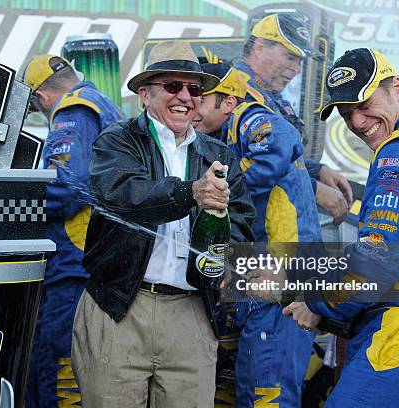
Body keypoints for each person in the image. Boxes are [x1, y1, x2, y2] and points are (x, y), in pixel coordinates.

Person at [71, 40, 255, 407]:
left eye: (194, 89)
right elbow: (122, 194)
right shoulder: (118, 141)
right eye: (173, 86)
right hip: (119, 306)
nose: (185, 97)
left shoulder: (218, 155)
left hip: (192, 312)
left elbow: (242, 221)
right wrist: (191, 193)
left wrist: (232, 256)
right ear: (145, 94)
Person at [283, 48, 399, 406]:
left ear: (397, 88)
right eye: (346, 113)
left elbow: (378, 260)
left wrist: (319, 304)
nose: (357, 121)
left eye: (364, 104)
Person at [194, 62, 322, 407]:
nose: (192, 107)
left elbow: (280, 142)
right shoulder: (214, 138)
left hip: (289, 268)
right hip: (256, 269)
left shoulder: (247, 115)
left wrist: (219, 186)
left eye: (201, 98)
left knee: (268, 387)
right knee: (243, 382)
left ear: (228, 102)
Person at [22, 54, 123, 407]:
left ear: (42, 98)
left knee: (60, 357)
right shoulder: (104, 105)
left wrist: (11, 209)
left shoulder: (72, 110)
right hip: (103, 255)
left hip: (75, 260)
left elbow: (67, 186)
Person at [232, 13, 353, 225]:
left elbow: (278, 156)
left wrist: (317, 170)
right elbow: (241, 174)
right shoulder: (232, 94)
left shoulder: (269, 95)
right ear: (259, 47)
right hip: (260, 242)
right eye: (290, 57)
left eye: (300, 61)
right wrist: (312, 187)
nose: (296, 70)